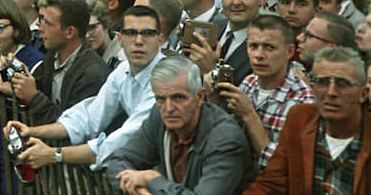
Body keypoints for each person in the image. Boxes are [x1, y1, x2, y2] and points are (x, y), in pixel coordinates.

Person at [5, 5, 165, 170]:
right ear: (120, 39)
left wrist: (54, 154)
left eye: (147, 33)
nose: (139, 41)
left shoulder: (166, 80)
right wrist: (32, 131)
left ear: (160, 39)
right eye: (131, 33)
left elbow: (125, 140)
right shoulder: (122, 71)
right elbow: (89, 116)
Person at [105, 55, 254, 195]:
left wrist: (152, 180)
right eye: (161, 99)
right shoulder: (159, 116)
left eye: (178, 97)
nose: (168, 108)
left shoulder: (225, 139)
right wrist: (142, 191)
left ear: (200, 96)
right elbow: (118, 162)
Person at [244, 47, 371, 194]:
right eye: (322, 82)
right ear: (313, 87)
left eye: (342, 84)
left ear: (363, 94)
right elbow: (271, 184)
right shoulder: (300, 119)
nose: (331, 92)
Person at [211, 15, 315, 171]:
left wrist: (249, 115)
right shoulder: (249, 82)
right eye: (253, 46)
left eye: (269, 47)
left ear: (289, 51)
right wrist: (215, 100)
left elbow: (282, 167)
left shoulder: (304, 101)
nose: (259, 55)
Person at [6, 0, 107, 125]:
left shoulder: (92, 74)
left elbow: (72, 128)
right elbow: (36, 88)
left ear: (70, 32)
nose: (40, 29)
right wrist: (15, 79)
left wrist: (34, 97)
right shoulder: (53, 54)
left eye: (48, 24)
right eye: (41, 20)